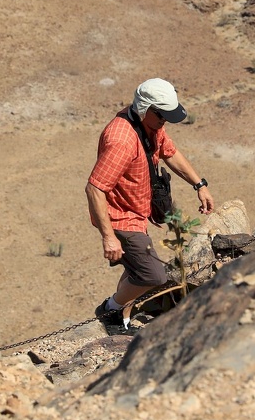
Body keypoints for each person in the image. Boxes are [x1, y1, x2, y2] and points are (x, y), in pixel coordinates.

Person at [85, 78, 215, 333]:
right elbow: (95, 188)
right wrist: (109, 237)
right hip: (120, 217)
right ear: (146, 108)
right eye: (162, 115)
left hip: (137, 213)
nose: (165, 121)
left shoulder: (149, 125)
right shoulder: (122, 141)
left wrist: (200, 185)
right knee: (153, 274)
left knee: (136, 269)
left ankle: (121, 320)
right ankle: (109, 311)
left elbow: (170, 153)